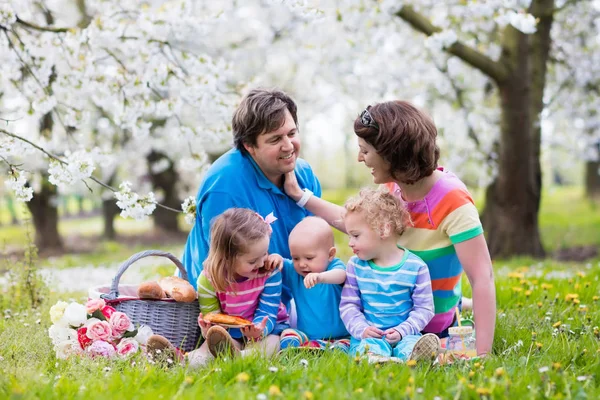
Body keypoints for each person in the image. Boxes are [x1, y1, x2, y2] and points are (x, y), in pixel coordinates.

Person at [284, 100, 496, 357]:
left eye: (365, 150)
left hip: (428, 328)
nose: (360, 158)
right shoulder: (394, 189)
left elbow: (482, 277)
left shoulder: (453, 200)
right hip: (382, 325)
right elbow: (356, 225)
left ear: (391, 154)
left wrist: (482, 352)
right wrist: (300, 196)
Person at [181, 88, 322, 312]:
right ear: (249, 145)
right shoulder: (225, 185)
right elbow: (224, 265)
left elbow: (318, 246)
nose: (288, 146)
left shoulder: (304, 175)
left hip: (281, 295)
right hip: (226, 301)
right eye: (275, 139)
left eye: (292, 133)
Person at [149, 208, 289, 368]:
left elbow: (267, 312)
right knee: (208, 348)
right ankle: (178, 361)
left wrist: (257, 331)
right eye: (252, 261)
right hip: (230, 333)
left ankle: (240, 358)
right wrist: (209, 329)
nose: (261, 262)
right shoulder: (209, 279)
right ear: (227, 259)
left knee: (271, 344)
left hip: (268, 329)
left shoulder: (269, 272)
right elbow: (213, 315)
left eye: (265, 253)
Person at [339, 188, 439, 363]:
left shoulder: (416, 268)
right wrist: (362, 329)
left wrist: (403, 331)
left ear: (383, 229)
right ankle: (376, 360)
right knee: (367, 349)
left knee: (411, 346)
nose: (350, 243)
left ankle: (412, 358)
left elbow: (424, 308)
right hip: (370, 336)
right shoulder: (355, 266)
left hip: (406, 334)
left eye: (355, 235)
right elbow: (349, 305)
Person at [277, 217, 350, 352]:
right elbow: (280, 263)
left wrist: (320, 277)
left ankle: (329, 348)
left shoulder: (333, 267)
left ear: (330, 254)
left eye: (309, 258)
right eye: (295, 258)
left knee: (345, 345)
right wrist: (274, 258)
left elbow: (341, 275)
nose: (302, 264)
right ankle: (306, 347)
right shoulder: (295, 271)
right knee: (288, 335)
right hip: (307, 335)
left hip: (341, 334)